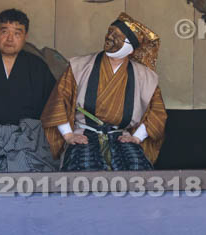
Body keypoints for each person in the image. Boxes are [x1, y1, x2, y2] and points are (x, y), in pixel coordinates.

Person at [41, 12, 166, 171]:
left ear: (130, 48)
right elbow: (59, 101)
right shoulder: (80, 66)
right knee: (83, 170)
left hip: (122, 136)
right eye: (110, 32)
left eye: (117, 36)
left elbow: (157, 113)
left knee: (136, 169)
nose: (110, 37)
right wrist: (69, 135)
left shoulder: (145, 77)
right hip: (84, 133)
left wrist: (137, 137)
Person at [0, 9, 60, 172]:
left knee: (34, 174)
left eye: (17, 33)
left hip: (28, 138)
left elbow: (54, 105)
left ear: (25, 36)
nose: (10, 39)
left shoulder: (37, 67)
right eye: (4, 31)